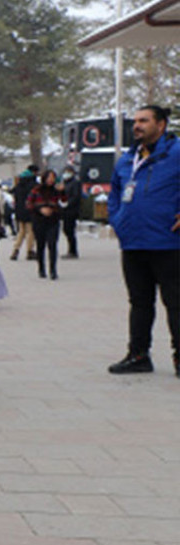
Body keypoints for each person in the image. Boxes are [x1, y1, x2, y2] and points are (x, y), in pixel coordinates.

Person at [105, 105, 180, 376]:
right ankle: (138, 355)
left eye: (144, 121)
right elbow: (114, 192)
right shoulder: (127, 158)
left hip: (169, 243)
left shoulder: (176, 152)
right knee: (139, 302)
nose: (137, 125)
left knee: (175, 302)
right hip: (134, 242)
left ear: (161, 125)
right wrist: (117, 218)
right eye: (135, 121)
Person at [26, 169, 65, 280]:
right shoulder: (36, 190)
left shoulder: (56, 191)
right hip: (39, 221)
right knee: (41, 245)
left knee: (52, 245)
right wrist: (40, 209)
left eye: (53, 177)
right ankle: (41, 268)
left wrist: (63, 192)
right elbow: (29, 204)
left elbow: (64, 202)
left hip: (53, 220)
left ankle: (53, 270)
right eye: (49, 177)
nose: (51, 180)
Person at [9, 165, 38, 261]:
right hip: (29, 210)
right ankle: (30, 251)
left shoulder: (18, 184)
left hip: (19, 211)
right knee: (30, 231)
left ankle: (15, 250)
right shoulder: (33, 184)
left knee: (21, 231)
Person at [61, 166, 82, 259]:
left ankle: (73, 251)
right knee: (66, 230)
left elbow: (76, 196)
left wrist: (68, 203)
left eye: (68, 172)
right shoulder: (65, 183)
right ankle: (71, 249)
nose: (66, 174)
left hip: (72, 210)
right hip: (65, 210)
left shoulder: (75, 183)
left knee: (69, 230)